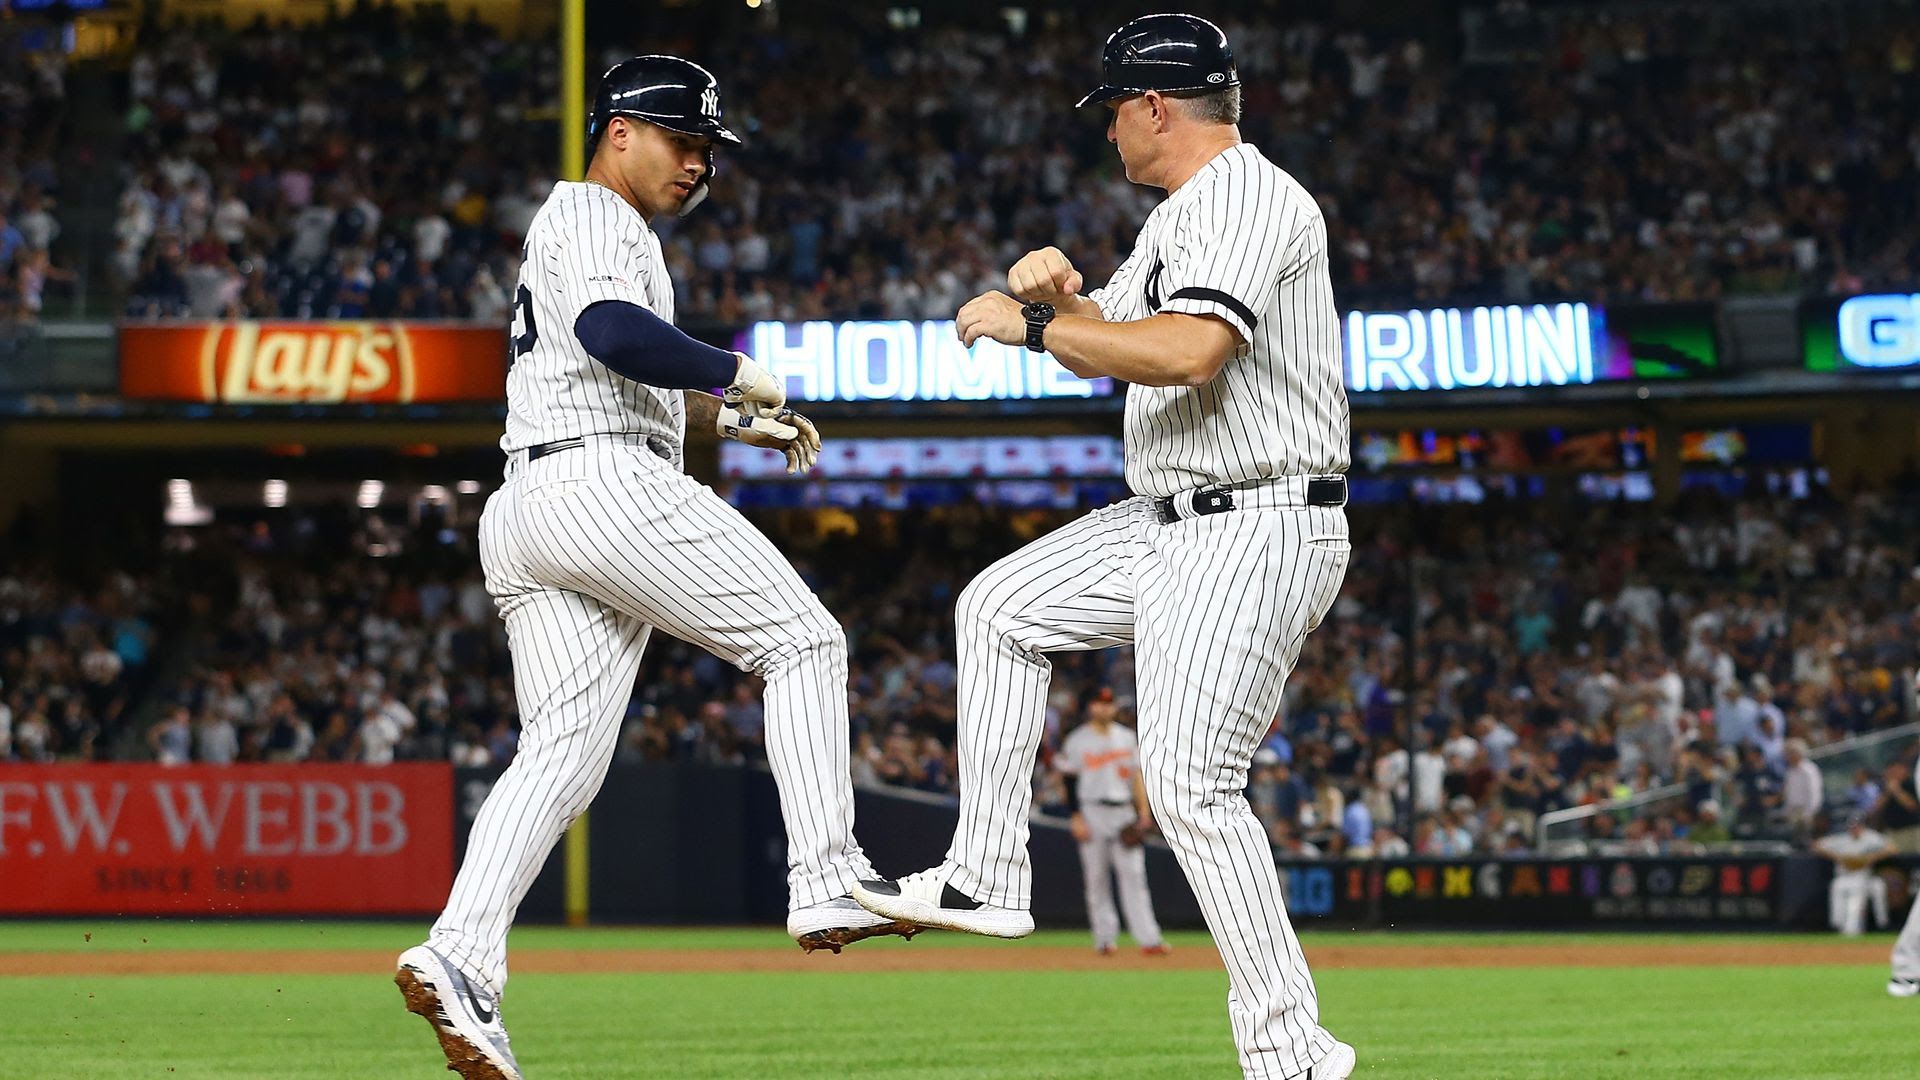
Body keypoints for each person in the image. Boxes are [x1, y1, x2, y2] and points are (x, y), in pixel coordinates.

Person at [853, 16, 1357, 1079]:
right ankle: (986, 873)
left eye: (1113, 110)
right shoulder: (1182, 216)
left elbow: (1186, 351)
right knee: (997, 607)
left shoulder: (1251, 198)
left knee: (1189, 786)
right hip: (1170, 519)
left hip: (1258, 517)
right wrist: (1060, 298)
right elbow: (1109, 346)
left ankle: (1290, 1053)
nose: (1107, 133)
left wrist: (1032, 325)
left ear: (1154, 107)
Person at [393, 56, 902, 1080]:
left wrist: (725, 417)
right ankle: (826, 876)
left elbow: (602, 364)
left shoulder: (600, 231)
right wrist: (733, 367)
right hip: (597, 490)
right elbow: (610, 333)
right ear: (619, 129)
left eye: (710, 149)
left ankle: (458, 956)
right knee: (804, 640)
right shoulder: (590, 214)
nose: (700, 164)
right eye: (683, 140)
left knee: (561, 759)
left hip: (535, 505)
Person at [1058, 687, 1168, 956]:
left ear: (1114, 707)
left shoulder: (1127, 738)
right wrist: (1076, 817)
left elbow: (1137, 778)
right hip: (1091, 810)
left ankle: (1149, 939)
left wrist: (1143, 812)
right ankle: (1104, 939)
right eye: (1098, 703)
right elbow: (1069, 781)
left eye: (1108, 703)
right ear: (1091, 707)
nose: (1103, 708)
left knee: (1134, 876)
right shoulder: (1077, 740)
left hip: (1122, 812)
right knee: (1096, 878)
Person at [1815, 815, 1895, 936]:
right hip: (1843, 876)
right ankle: (1837, 926)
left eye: (1857, 826)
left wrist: (1871, 857)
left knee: (1856, 897)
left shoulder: (1871, 837)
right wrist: (1838, 857)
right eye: (1852, 826)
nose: (1855, 829)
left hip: (1862, 876)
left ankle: (1853, 930)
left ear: (1862, 826)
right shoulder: (1842, 839)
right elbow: (1817, 845)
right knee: (1837, 890)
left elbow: (1892, 848)